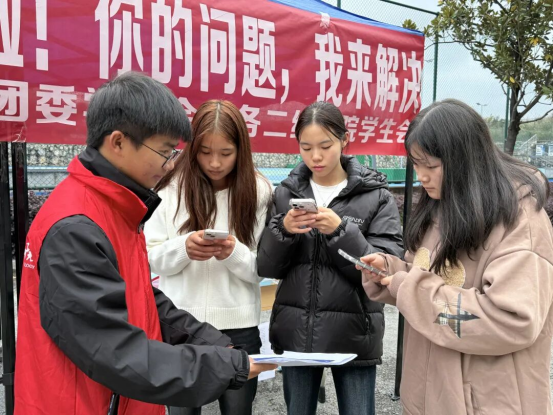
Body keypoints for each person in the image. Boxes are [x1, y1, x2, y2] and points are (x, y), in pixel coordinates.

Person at [14, 72, 275, 415]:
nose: (169, 164)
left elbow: (140, 296)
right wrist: (223, 365)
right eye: (164, 151)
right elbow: (113, 350)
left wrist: (211, 343)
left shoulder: (115, 206)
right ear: (118, 142)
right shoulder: (76, 227)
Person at [361, 99, 553, 415]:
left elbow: (511, 321)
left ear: (466, 160)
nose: (421, 176)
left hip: (487, 403)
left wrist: (409, 288)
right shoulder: (441, 206)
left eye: (431, 165)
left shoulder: (519, 221)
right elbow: (429, 279)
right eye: (416, 164)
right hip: (427, 397)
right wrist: (392, 271)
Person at [257, 101, 404, 415]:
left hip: (354, 333)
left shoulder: (376, 195)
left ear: (344, 139)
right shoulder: (285, 194)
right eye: (306, 147)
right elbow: (268, 267)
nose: (316, 157)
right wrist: (284, 230)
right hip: (296, 333)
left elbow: (385, 270)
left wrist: (341, 231)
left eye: (325, 146)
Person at [145, 99, 273, 415]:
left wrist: (233, 253)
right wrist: (183, 248)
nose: (215, 163)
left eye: (225, 153)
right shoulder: (169, 187)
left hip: (239, 328)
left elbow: (261, 268)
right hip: (181, 325)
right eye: (205, 152)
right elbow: (150, 257)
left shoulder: (259, 190)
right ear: (192, 149)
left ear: (241, 150)